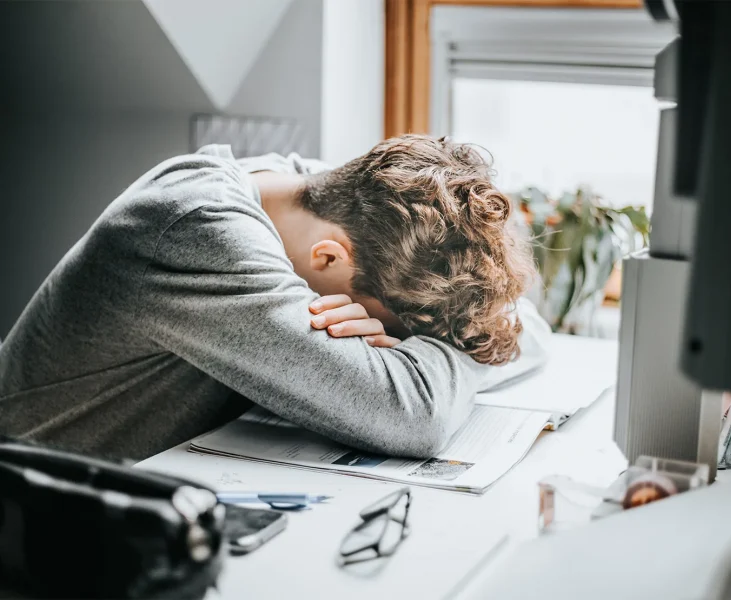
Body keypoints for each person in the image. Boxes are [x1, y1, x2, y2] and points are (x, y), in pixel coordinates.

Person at [0, 135, 550, 460]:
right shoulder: (196, 230)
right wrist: (463, 348)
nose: (400, 342)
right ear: (329, 260)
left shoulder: (325, 197)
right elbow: (413, 416)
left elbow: (528, 328)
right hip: (39, 515)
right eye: (396, 326)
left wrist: (450, 338)